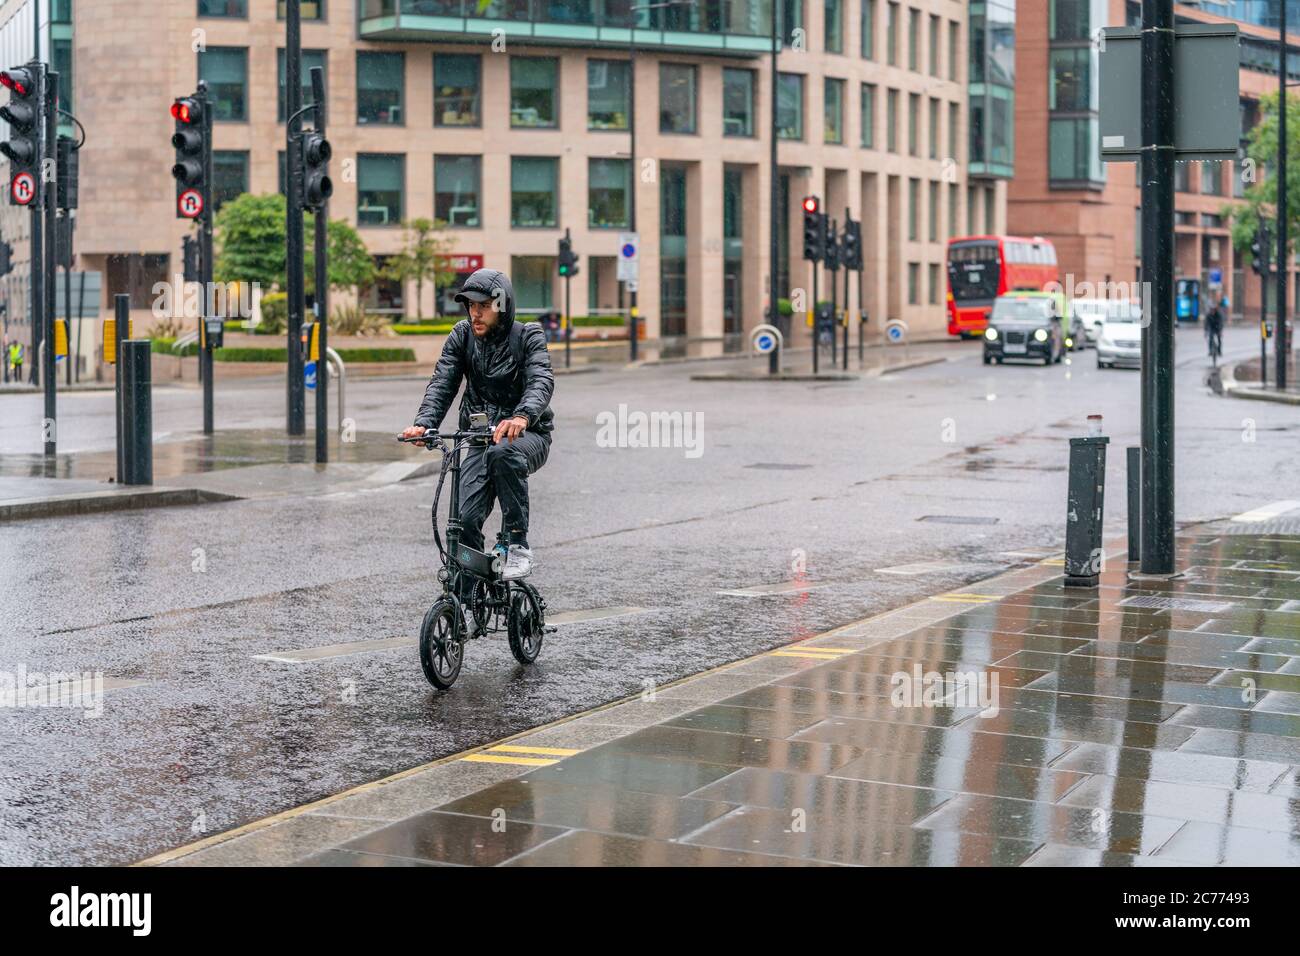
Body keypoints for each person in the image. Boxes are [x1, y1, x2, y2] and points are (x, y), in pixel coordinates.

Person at [401, 267, 555, 599]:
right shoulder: (462, 336)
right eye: (470, 306)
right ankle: (469, 594)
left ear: (502, 304)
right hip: (479, 437)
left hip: (527, 436)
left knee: (504, 453)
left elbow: (541, 381)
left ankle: (517, 542)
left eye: (483, 305)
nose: (475, 313)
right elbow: (443, 382)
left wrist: (522, 416)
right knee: (465, 519)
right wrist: (425, 423)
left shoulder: (528, 336)